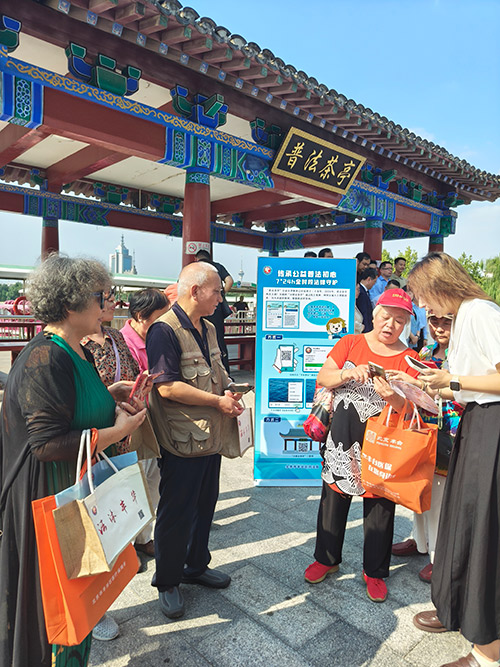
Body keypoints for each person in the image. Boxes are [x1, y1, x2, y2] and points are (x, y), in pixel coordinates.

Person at [0, 255, 146, 667]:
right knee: (59, 608)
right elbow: (46, 443)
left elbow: (77, 405)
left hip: (75, 485)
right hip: (50, 491)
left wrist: (111, 394)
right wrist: (118, 431)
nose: (110, 304)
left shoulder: (77, 349)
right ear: (69, 305)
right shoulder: (46, 359)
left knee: (80, 596)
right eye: (102, 296)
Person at [407, 253, 500, 667]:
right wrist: (436, 387)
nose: (423, 307)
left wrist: (454, 381)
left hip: (492, 427)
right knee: (463, 522)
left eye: (423, 296)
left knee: (481, 528)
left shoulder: (481, 312)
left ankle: (487, 649)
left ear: (442, 285)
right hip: (476, 423)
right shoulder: (465, 318)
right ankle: (457, 609)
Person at [304, 289, 420, 603]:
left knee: (380, 507)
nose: (390, 325)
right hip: (342, 435)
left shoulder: (410, 359)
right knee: (333, 497)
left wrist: (393, 396)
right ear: (374, 314)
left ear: (407, 324)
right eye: (386, 317)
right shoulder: (350, 343)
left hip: (384, 445)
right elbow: (324, 376)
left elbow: (415, 409)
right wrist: (346, 373)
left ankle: (376, 571)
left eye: (399, 321)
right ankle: (326, 558)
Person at [146, 262, 243, 620]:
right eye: (216, 291)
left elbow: (216, 370)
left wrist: (231, 389)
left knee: (205, 502)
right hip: (182, 438)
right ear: (195, 291)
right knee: (176, 510)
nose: (221, 297)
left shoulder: (209, 327)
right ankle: (167, 580)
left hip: (211, 435)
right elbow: (167, 385)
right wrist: (217, 401)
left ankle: (196, 565)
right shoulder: (163, 330)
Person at [390, 312, 462, 583]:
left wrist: (424, 387)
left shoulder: (463, 354)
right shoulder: (426, 349)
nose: (439, 328)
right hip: (423, 427)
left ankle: (440, 556)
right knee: (420, 485)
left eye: (446, 322)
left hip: (451, 430)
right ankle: (419, 541)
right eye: (434, 321)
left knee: (441, 495)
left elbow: (465, 393)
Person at [120, 288, 170, 559]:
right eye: (160, 316)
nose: (166, 321)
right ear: (140, 316)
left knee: (152, 481)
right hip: (133, 425)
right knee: (133, 483)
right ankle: (128, 544)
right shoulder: (123, 343)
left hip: (153, 421)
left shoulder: (156, 336)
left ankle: (143, 537)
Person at [195, 249, 233, 373]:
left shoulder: (194, 267)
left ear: (196, 258)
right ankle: (224, 372)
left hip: (199, 307)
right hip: (216, 310)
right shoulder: (217, 267)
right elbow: (229, 281)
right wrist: (220, 294)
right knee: (218, 340)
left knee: (198, 338)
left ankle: (205, 371)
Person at [357, 267, 377, 333]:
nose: (374, 285)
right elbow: (364, 313)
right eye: (374, 282)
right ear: (368, 279)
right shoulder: (360, 292)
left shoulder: (364, 291)